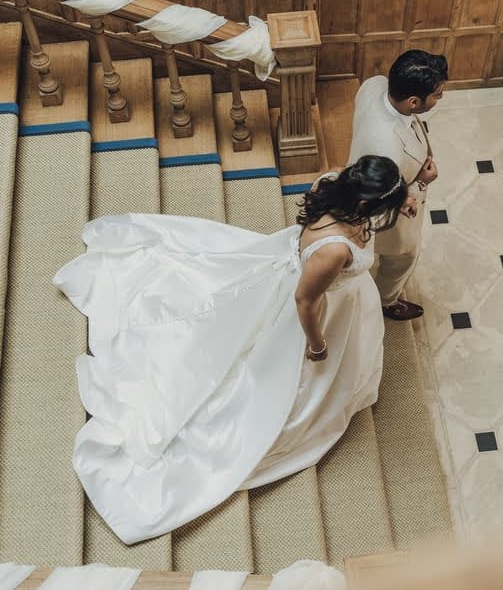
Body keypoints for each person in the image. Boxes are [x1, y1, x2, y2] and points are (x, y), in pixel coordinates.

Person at [52, 155, 408, 545]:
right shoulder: (334, 251)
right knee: (266, 378)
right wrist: (318, 344)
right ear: (367, 205)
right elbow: (305, 302)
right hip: (311, 309)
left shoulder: (333, 182)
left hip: (298, 276)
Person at [348, 49, 448, 321]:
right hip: (388, 212)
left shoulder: (375, 85)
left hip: (366, 168)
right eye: (437, 94)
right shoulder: (387, 150)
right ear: (414, 101)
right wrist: (421, 184)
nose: (440, 98)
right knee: (403, 257)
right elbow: (384, 199)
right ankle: (385, 301)